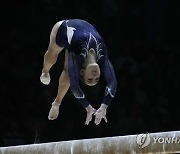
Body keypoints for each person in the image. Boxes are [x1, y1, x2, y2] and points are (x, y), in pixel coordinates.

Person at [40, 19, 117, 125]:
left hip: (61, 31)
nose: (94, 76)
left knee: (65, 68)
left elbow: (74, 85)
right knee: (54, 56)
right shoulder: (102, 56)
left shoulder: (77, 54)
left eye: (90, 79)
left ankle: (56, 103)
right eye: (97, 79)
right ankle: (45, 71)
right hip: (71, 25)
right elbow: (112, 82)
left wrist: (88, 107)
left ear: (82, 72)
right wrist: (104, 106)